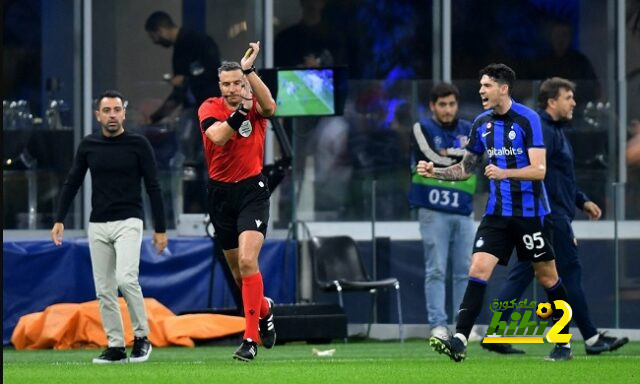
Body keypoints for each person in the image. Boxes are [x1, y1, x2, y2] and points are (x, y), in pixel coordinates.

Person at [419, 64, 573, 362]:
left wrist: (504, 173)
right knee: (477, 269)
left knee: (547, 276)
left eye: (486, 85)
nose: (481, 91)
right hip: (497, 215)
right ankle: (460, 339)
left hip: (530, 216)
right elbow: (465, 169)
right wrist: (434, 172)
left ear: (504, 88)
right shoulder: (481, 123)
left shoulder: (528, 120)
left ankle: (563, 342)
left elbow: (539, 170)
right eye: (480, 85)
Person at [484, 77, 629, 356]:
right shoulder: (543, 131)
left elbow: (557, 177)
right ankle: (587, 340)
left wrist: (582, 200)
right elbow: (537, 175)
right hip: (549, 217)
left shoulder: (554, 130)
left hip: (544, 215)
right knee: (568, 274)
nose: (574, 102)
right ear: (552, 101)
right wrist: (558, 221)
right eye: (568, 97)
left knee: (522, 273)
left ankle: (494, 333)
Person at [51, 90, 168, 364]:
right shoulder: (89, 145)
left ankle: (142, 338)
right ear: (98, 115)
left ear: (124, 113)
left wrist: (160, 229)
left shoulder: (138, 144)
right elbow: (72, 182)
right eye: (107, 111)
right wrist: (59, 218)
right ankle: (115, 346)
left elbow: (154, 187)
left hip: (129, 220)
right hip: (98, 224)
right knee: (104, 289)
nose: (112, 115)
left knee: (126, 279)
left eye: (117, 110)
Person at [197, 42, 277, 362]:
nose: (232, 89)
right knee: (238, 273)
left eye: (237, 83)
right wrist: (238, 112)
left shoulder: (254, 103)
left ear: (244, 82)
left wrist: (250, 72)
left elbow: (270, 107)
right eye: (226, 84)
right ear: (220, 86)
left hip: (252, 191)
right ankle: (265, 310)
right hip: (219, 195)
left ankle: (250, 339)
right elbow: (217, 136)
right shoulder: (209, 106)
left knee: (247, 262)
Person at [408, 83, 475, 340]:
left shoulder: (469, 129)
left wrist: (460, 156)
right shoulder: (421, 127)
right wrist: (462, 157)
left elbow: (476, 160)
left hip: (463, 208)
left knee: (465, 270)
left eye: (452, 104)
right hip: (432, 207)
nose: (448, 110)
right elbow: (433, 156)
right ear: (432, 106)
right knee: (435, 269)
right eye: (442, 104)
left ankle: (461, 327)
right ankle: (437, 324)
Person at [145, 11, 222, 213]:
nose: (155, 42)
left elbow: (212, 73)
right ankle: (194, 208)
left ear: (160, 30)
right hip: (198, 111)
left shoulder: (197, 42)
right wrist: (155, 117)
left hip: (210, 111)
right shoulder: (181, 49)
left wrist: (187, 80)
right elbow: (179, 94)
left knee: (206, 161)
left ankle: (210, 207)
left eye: (153, 37)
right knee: (191, 159)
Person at [274, 0, 345, 67]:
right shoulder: (285, 38)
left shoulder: (334, 39)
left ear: (323, 2)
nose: (312, 2)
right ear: (302, 2)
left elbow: (339, 67)